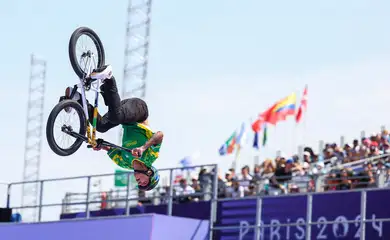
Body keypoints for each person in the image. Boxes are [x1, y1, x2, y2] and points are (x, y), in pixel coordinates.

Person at [60, 65, 163, 191]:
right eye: (143, 183)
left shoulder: (125, 163)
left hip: (122, 116)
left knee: (101, 126)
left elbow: (110, 149)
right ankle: (108, 77)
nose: (138, 182)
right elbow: (159, 135)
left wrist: (100, 146)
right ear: (149, 174)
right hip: (139, 111)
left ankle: (77, 98)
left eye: (139, 184)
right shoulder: (150, 157)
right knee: (116, 117)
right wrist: (143, 148)